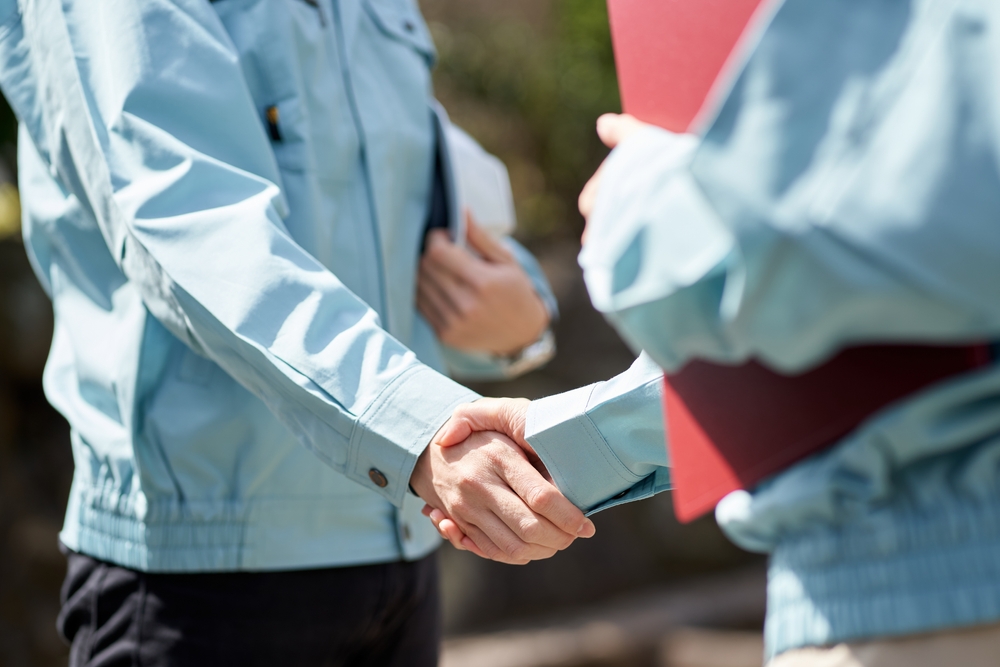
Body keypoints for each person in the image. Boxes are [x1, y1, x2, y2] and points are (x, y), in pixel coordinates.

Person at [0, 0, 594, 664]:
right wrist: (416, 425)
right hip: (200, 579)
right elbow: (191, 219)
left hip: (401, 557)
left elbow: (420, 189)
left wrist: (524, 314)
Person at [425, 1, 1000, 665]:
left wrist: (638, 201)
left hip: (920, 602)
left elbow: (797, 247)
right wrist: (573, 443)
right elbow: (880, 340)